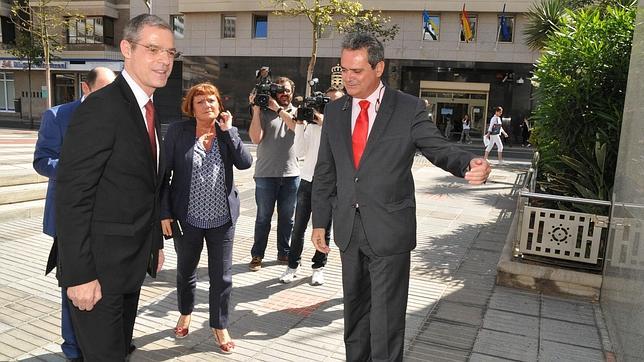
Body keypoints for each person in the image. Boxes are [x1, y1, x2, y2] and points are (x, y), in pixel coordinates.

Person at [310, 32, 491, 361]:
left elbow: (436, 147)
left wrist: (468, 163)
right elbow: (326, 171)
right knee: (355, 312)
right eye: (344, 69)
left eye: (357, 71)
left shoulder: (407, 108)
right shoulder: (335, 111)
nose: (348, 77)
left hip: (389, 228)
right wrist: (319, 221)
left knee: (387, 319)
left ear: (379, 68)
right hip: (348, 228)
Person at [55, 14, 174, 360]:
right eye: (153, 49)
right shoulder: (102, 108)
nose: (164, 60)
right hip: (96, 273)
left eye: (170, 52)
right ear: (126, 48)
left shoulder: (148, 108)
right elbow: (72, 196)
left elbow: (147, 187)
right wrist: (79, 276)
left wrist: (154, 243)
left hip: (129, 268)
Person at [33, 66, 116, 362]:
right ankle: (72, 348)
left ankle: (104, 342)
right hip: (69, 217)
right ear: (86, 88)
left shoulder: (116, 117)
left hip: (108, 219)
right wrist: (76, 170)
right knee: (73, 283)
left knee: (106, 285)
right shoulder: (57, 116)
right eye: (104, 89)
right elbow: (42, 161)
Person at [279, 87, 344, 285]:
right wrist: (299, 123)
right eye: (327, 101)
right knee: (298, 227)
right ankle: (292, 265)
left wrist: (325, 121)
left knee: (323, 228)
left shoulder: (342, 123)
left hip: (329, 183)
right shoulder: (312, 124)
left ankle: (318, 267)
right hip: (307, 180)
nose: (329, 105)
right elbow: (299, 151)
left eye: (334, 102)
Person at [247, 77, 300, 271]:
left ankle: (284, 252)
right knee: (263, 218)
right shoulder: (263, 112)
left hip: (291, 175)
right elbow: (255, 139)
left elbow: (295, 127)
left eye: (287, 90)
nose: (284, 93)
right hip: (265, 175)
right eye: (280, 90)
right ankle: (257, 255)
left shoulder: (298, 113)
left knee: (287, 218)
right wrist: (256, 109)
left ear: (292, 92)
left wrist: (278, 109)